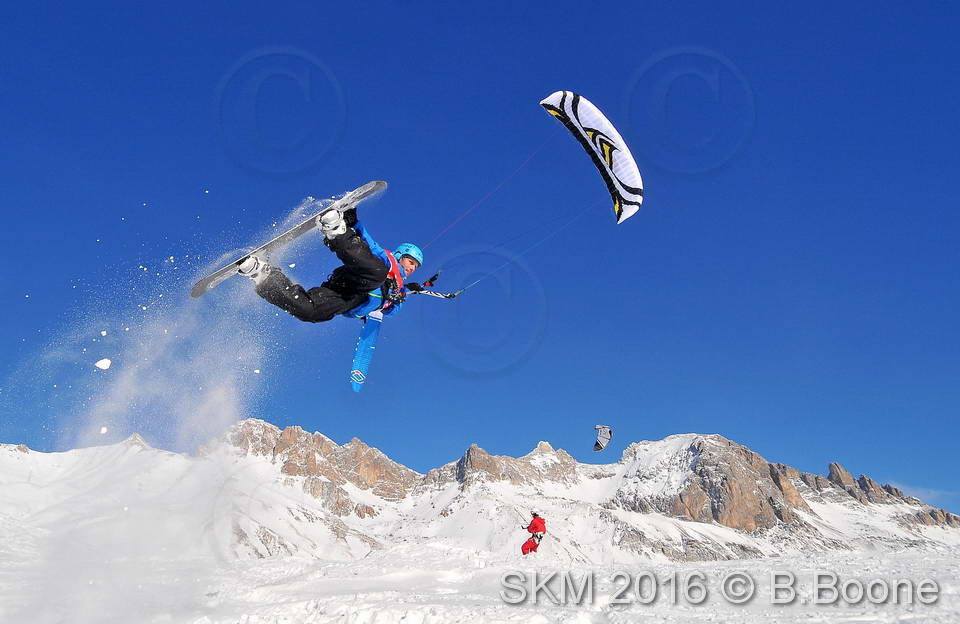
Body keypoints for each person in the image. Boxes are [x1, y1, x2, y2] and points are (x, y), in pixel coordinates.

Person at [237, 202, 423, 323]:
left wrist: (399, 296)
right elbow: (370, 244)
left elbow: (392, 312)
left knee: (311, 312)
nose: (412, 267)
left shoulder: (399, 291)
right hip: (358, 277)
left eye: (415, 266)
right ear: (400, 255)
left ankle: (263, 275)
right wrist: (353, 223)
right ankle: (337, 232)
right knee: (378, 272)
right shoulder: (388, 261)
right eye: (410, 261)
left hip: (347, 297)